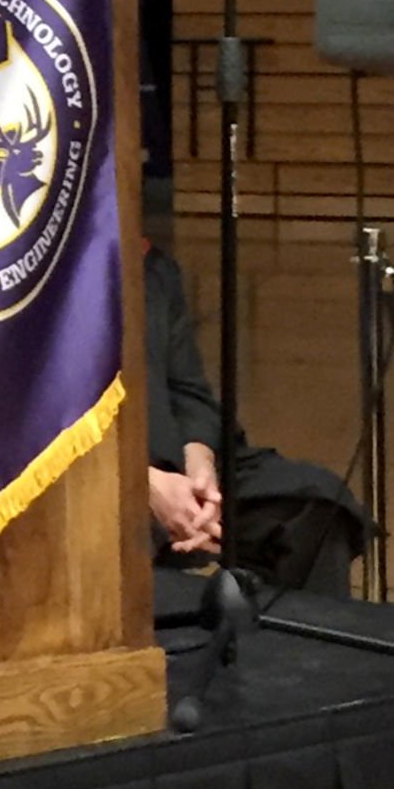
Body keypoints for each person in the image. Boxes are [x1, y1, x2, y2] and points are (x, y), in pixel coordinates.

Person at [145, 241, 373, 599]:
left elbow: (189, 390)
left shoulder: (151, 268)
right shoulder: (53, 273)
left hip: (176, 460)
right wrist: (143, 485)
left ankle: (295, 639)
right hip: (92, 477)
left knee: (312, 506)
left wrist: (200, 463)